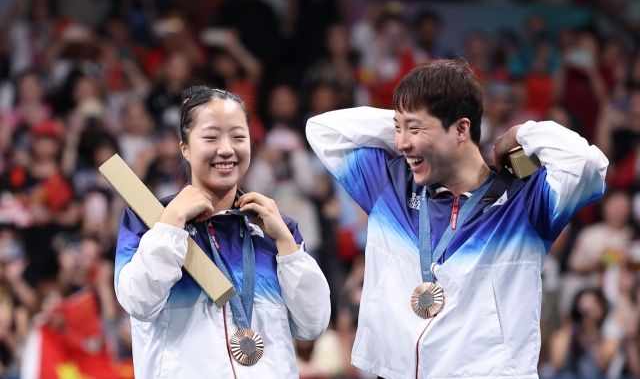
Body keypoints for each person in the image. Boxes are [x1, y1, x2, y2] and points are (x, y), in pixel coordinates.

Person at [306, 59, 608, 378]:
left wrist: (521, 134)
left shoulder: (526, 201)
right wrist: (412, 119)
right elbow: (323, 130)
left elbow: (587, 165)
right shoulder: (389, 184)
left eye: (415, 128)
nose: (400, 143)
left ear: (462, 128)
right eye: (398, 128)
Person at [115, 86, 331, 378]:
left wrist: (285, 243)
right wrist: (172, 222)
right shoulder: (148, 219)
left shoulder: (274, 227)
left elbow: (313, 323)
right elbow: (138, 301)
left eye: (238, 137)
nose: (227, 148)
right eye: (211, 137)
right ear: (185, 148)